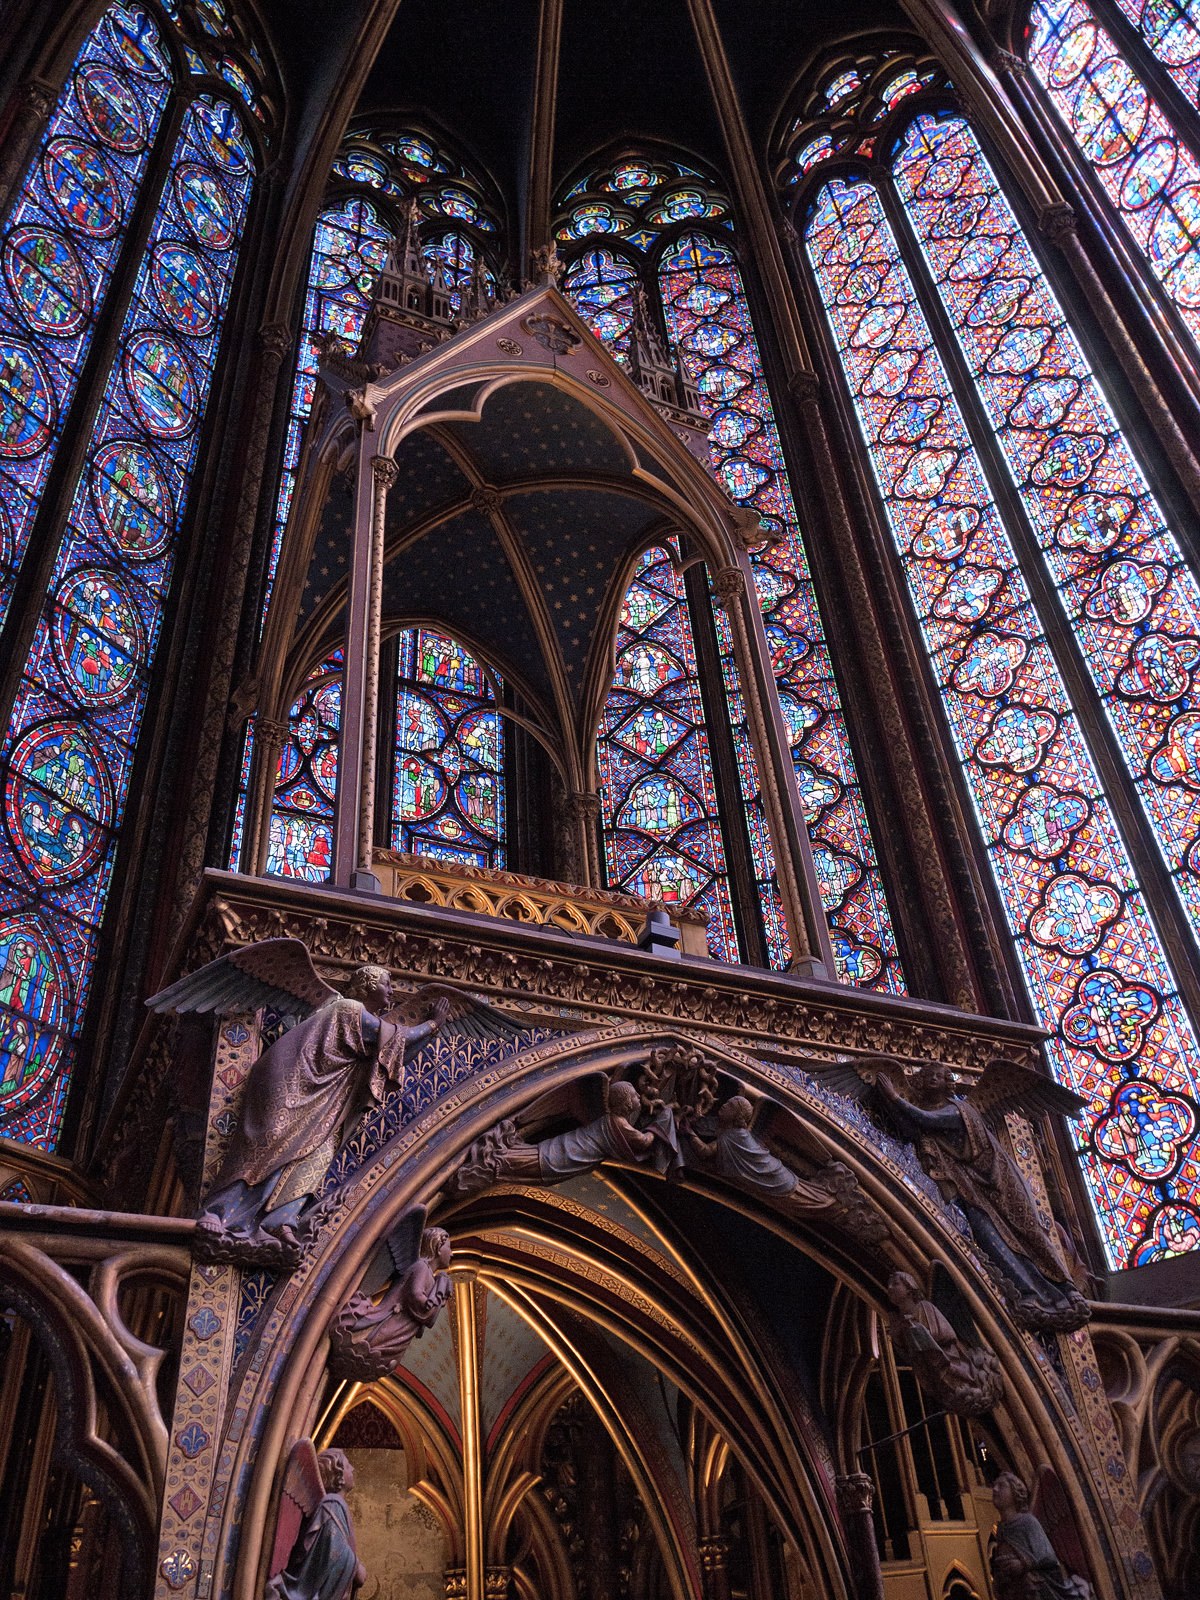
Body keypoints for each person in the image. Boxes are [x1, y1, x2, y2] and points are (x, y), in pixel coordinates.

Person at [199, 967, 448, 1248]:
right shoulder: (348, 1008)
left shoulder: (368, 1030)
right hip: (293, 1088)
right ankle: (220, 1212)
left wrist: (428, 1032)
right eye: (387, 984)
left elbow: (395, 1054)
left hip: (325, 1102)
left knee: (318, 1154)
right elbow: (394, 1037)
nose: (392, 991)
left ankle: (280, 1220)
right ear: (368, 985)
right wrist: (432, 1025)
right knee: (270, 1142)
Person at [875, 1064, 1087, 1327]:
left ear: (948, 1082)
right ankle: (1028, 1292)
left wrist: (894, 1097)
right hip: (968, 1189)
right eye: (928, 1075)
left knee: (1027, 1232)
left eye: (939, 1075)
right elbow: (912, 1128)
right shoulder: (923, 1114)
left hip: (997, 1181)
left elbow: (930, 1120)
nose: (933, 1079)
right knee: (986, 1236)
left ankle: (1062, 1290)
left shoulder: (960, 1109)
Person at [682, 1095, 839, 1216]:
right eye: (727, 1102)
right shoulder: (728, 1134)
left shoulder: (734, 1136)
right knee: (797, 1199)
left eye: (730, 1105)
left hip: (774, 1178)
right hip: (769, 1176)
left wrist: (688, 1132)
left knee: (803, 1200)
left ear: (737, 1116)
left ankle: (833, 1205)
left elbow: (705, 1152)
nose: (724, 1105)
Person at [329, 1227, 453, 1379]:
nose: (451, 1253)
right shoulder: (421, 1267)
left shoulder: (432, 1278)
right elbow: (415, 1294)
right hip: (391, 1318)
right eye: (449, 1247)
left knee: (377, 1353)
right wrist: (429, 1304)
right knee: (372, 1342)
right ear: (438, 1248)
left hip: (402, 1328)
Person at [266, 1448, 365, 1600]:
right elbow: (334, 1552)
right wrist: (356, 1567)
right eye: (347, 1465)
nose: (352, 1468)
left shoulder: (335, 1504)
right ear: (338, 1475)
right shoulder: (332, 1504)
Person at [990, 1472, 1078, 1600]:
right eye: (994, 1485)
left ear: (1015, 1493)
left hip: (1036, 1590)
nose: (995, 1489)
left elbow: (1048, 1557)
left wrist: (1022, 1564)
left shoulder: (1027, 1522)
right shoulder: (1002, 1528)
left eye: (1001, 1486)